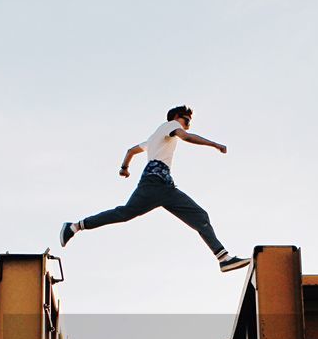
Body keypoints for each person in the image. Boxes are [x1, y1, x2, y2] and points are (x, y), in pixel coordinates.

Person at [60, 106, 249, 272]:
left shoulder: (153, 138)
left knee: (200, 216)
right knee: (124, 213)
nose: (188, 123)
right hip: (153, 183)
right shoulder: (170, 126)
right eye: (186, 119)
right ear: (176, 117)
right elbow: (186, 137)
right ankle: (75, 226)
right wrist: (214, 144)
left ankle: (223, 259)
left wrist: (124, 168)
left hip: (166, 188)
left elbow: (131, 151)